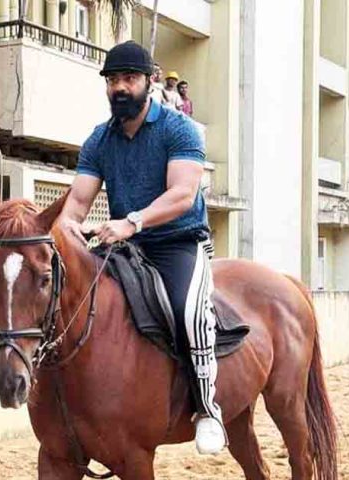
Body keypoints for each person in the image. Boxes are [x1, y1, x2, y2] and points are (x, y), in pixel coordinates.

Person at [58, 41, 227, 454]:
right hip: (123, 247)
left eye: (129, 79)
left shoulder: (178, 129)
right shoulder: (99, 139)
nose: (120, 87)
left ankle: (207, 408)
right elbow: (77, 202)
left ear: (148, 82)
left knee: (189, 312)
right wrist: (66, 228)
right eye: (113, 80)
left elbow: (182, 194)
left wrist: (131, 222)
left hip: (178, 243)